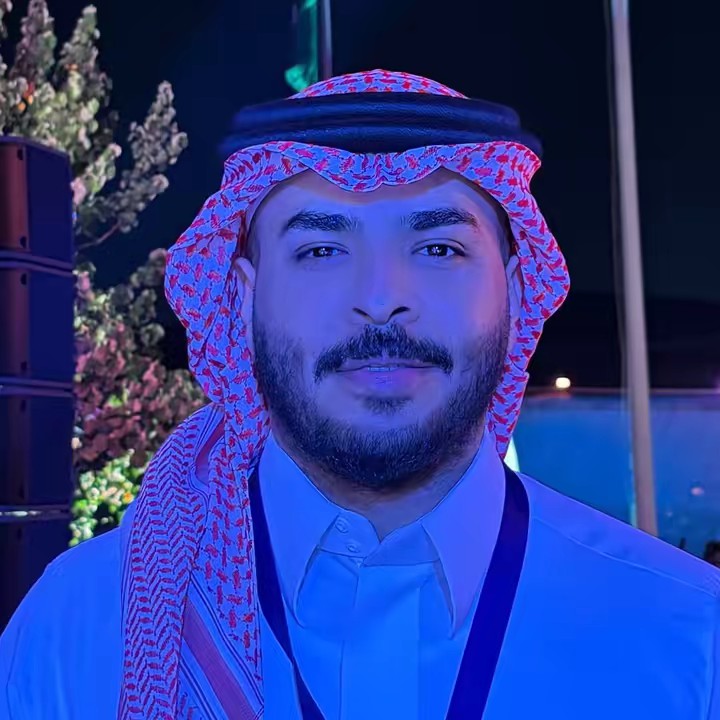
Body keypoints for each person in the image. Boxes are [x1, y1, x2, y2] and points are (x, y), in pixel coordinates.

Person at [1, 69, 719, 720]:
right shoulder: (80, 629)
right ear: (243, 298)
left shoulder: (688, 638)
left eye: (438, 248)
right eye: (320, 250)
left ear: (516, 289)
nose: (380, 298)